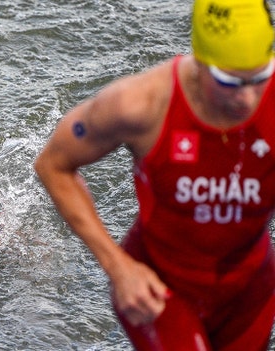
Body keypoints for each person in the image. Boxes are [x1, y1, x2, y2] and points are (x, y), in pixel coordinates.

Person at [34, 0, 275, 349]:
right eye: (230, 81)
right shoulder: (140, 104)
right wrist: (117, 267)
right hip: (158, 290)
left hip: (250, 291)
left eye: (260, 77)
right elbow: (53, 164)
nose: (248, 98)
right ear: (200, 60)